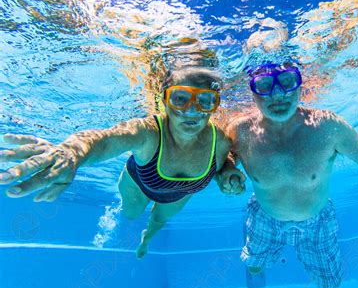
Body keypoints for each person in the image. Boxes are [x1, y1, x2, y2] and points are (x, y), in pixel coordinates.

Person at [217, 62, 358, 288]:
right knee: (254, 267)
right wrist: (227, 170)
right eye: (264, 85)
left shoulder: (327, 127)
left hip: (318, 221)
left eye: (287, 81)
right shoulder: (240, 130)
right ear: (252, 91)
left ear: (300, 85)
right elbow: (226, 159)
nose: (277, 93)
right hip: (265, 217)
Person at [0, 67, 246, 258]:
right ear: (164, 100)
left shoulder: (221, 142)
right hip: (137, 186)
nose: (192, 111)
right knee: (132, 212)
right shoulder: (148, 133)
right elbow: (105, 140)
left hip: (179, 196)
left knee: (159, 220)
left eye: (205, 100)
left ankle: (146, 240)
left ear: (215, 105)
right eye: (180, 99)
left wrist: (228, 170)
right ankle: (122, 220)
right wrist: (73, 153)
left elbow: (224, 161)